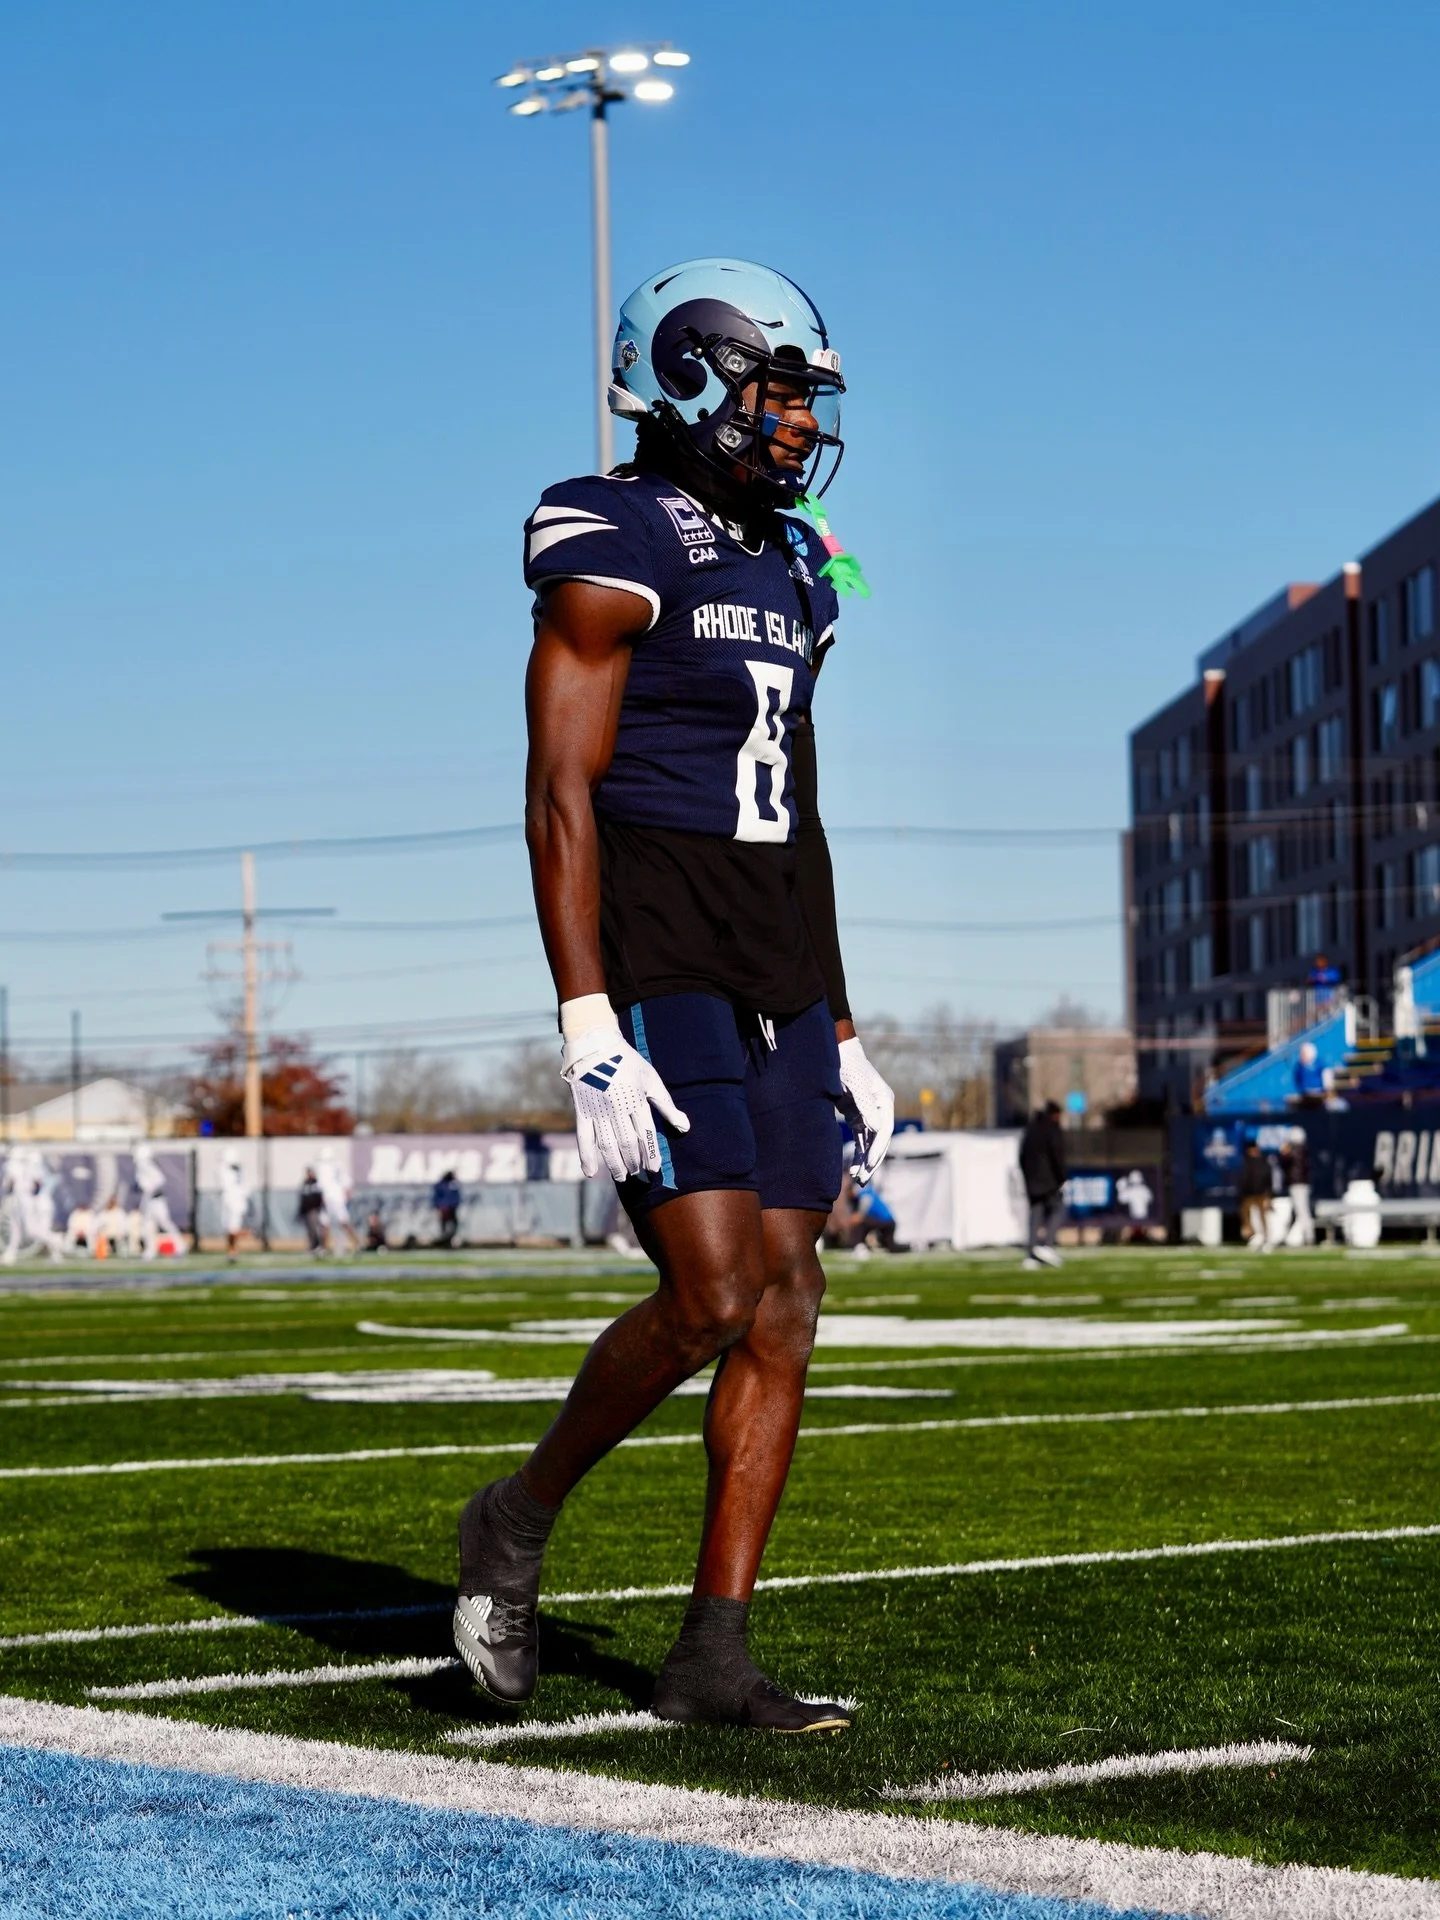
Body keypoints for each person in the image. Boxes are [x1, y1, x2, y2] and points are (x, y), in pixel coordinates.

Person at [453, 258, 894, 1735]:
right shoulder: (612, 525)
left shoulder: (800, 562)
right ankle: (515, 1519)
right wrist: (585, 1019)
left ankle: (713, 1654)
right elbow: (558, 791)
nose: (794, 426)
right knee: (709, 1292)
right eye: (774, 392)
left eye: (801, 401)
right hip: (659, 943)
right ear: (693, 378)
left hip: (774, 952)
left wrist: (844, 1022)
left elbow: (805, 801)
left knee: (789, 1301)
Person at [1019, 1099, 1067, 1269]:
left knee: (1035, 1215)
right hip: (1048, 1180)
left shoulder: (1030, 1130)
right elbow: (1057, 1155)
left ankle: (1031, 1254)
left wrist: (1027, 1178)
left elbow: (1022, 1157)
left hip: (1032, 1181)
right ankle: (1047, 1245)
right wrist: (1062, 1178)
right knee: (1059, 1209)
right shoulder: (1052, 1129)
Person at [315, 1147, 357, 1253]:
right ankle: (325, 1247)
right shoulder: (338, 1165)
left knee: (337, 1221)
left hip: (331, 1198)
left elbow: (321, 1185)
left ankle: (356, 1242)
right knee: (326, 1222)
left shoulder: (326, 1167)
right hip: (337, 1198)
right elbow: (348, 1183)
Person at [1281, 1127, 1314, 1247]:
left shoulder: (1294, 1151)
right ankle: (1295, 1235)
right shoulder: (1304, 1150)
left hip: (1297, 1184)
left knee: (1302, 1211)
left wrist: (1284, 1151)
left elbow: (1284, 1160)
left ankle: (1309, 1236)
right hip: (1302, 1183)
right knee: (1299, 1211)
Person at [1238, 1141, 1272, 1248]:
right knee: (1246, 1215)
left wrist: (1268, 1194)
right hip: (1249, 1193)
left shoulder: (1263, 1162)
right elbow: (1244, 1179)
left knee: (1262, 1215)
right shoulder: (1246, 1162)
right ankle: (1252, 1236)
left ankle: (1266, 1237)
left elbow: (1268, 1179)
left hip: (1260, 1192)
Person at [219, 1152, 250, 1262]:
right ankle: (231, 1252)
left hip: (235, 1203)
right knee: (229, 1230)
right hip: (229, 1202)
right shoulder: (225, 1171)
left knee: (233, 1229)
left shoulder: (237, 1172)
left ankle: (234, 1250)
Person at [432, 1168, 462, 1248]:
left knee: (453, 1223)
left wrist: (454, 1205)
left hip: (451, 1208)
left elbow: (456, 1197)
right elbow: (437, 1197)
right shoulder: (441, 1185)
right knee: (444, 1223)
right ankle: (444, 1238)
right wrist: (440, 1205)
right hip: (444, 1208)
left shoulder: (453, 1185)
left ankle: (449, 1237)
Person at [297, 1168, 325, 1254]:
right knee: (309, 1230)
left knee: (315, 1229)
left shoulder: (316, 1183)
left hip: (314, 1210)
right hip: (306, 1210)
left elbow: (319, 1197)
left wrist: (318, 1207)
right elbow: (302, 1198)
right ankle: (312, 1246)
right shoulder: (305, 1184)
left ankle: (319, 1246)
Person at [1293, 1040, 1326, 1106]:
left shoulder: (1319, 1063)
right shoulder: (1299, 1066)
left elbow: (1325, 1076)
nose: (1302, 1055)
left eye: (1304, 1053)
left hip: (1318, 1092)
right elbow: (1297, 1079)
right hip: (1305, 1093)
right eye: (1302, 1053)